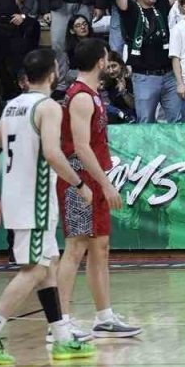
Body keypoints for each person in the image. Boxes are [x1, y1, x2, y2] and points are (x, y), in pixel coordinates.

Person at [0, 49, 96, 365]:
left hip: (18, 198)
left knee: (48, 267)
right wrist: (80, 185)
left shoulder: (13, 105)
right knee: (35, 270)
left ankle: (63, 338)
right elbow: (53, 153)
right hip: (34, 201)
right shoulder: (48, 107)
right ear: (53, 73)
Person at [55, 38, 139, 342]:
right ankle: (59, 324)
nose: (109, 61)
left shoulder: (92, 94)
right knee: (75, 248)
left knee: (99, 249)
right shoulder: (79, 96)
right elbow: (80, 146)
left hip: (94, 178)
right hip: (79, 181)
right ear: (100, 61)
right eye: (106, 57)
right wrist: (105, 183)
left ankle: (104, 318)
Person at [103, 0, 175, 123]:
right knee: (145, 123)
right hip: (144, 76)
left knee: (177, 122)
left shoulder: (160, 6)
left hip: (169, 75)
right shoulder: (131, 10)